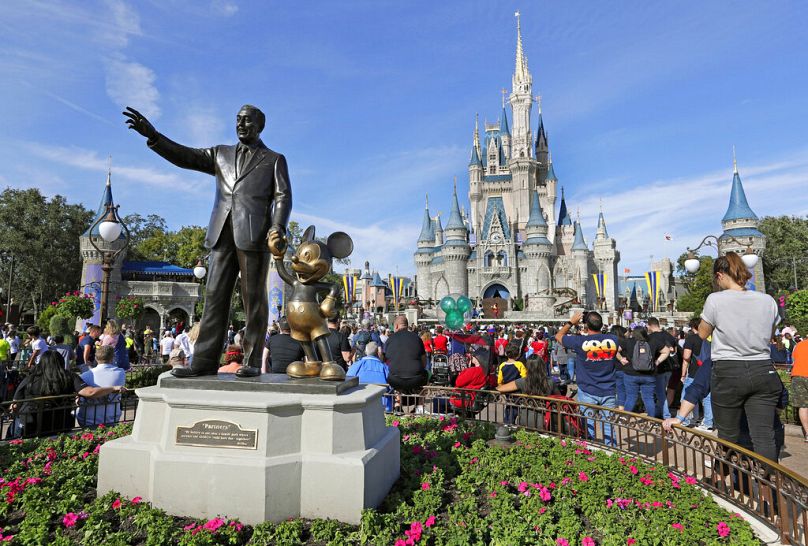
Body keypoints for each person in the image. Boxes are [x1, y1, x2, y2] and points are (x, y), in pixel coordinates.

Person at [124, 104, 292, 378]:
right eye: (238, 120)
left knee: (253, 300)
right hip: (221, 233)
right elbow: (185, 156)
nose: (241, 124)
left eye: (247, 121)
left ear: (260, 126)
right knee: (214, 297)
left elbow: (283, 196)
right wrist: (153, 136)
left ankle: (250, 360)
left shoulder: (273, 159)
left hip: (254, 235)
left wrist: (278, 227)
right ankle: (203, 361)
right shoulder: (220, 154)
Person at [698, 252, 782, 463]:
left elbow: (702, 333)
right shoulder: (767, 300)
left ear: (720, 275)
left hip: (729, 371)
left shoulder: (715, 299)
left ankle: (726, 480)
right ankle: (768, 488)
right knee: (764, 436)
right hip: (764, 369)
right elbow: (770, 335)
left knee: (728, 435)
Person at [11, 351, 125, 437]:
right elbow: (90, 392)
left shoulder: (30, 379)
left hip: (32, 424)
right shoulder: (69, 376)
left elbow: (14, 405)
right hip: (61, 424)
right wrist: (112, 388)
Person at [555, 311, 618, 445]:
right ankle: (612, 457)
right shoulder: (613, 340)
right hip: (608, 390)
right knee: (609, 428)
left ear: (586, 326)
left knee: (588, 428)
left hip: (587, 390)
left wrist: (571, 322)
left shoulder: (580, 341)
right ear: (601, 325)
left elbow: (559, 336)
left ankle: (589, 453)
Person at [620, 327, 666, 416]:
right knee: (649, 398)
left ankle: (625, 418)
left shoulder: (628, 341)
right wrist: (657, 361)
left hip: (631, 373)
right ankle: (651, 420)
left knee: (631, 397)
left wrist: (621, 359)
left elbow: (616, 350)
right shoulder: (653, 341)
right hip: (649, 374)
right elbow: (666, 351)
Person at [77, 345, 126, 427]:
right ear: (112, 358)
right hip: (112, 417)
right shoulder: (120, 373)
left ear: (96, 358)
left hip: (87, 419)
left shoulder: (84, 376)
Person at [382, 315, 428, 393]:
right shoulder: (417, 338)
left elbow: (384, 359)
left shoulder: (390, 340)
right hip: (416, 379)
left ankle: (397, 400)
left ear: (396, 326)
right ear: (406, 325)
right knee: (427, 374)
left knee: (390, 377)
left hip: (395, 380)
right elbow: (424, 362)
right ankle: (420, 402)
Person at [681, 318, 712, 429]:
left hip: (695, 371)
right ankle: (708, 422)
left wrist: (683, 374)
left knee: (687, 395)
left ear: (693, 327)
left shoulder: (691, 339)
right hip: (709, 370)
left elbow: (686, 357)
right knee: (707, 398)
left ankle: (686, 420)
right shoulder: (710, 338)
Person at [647, 317, 677, 419]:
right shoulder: (668, 335)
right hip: (670, 367)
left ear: (649, 326)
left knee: (660, 393)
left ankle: (666, 415)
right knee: (663, 392)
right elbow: (673, 350)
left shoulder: (651, 337)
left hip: (658, 368)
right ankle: (659, 411)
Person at [789, 336, 808, 442]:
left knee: (803, 406)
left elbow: (793, 361)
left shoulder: (798, 345)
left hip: (798, 376)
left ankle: (807, 433)